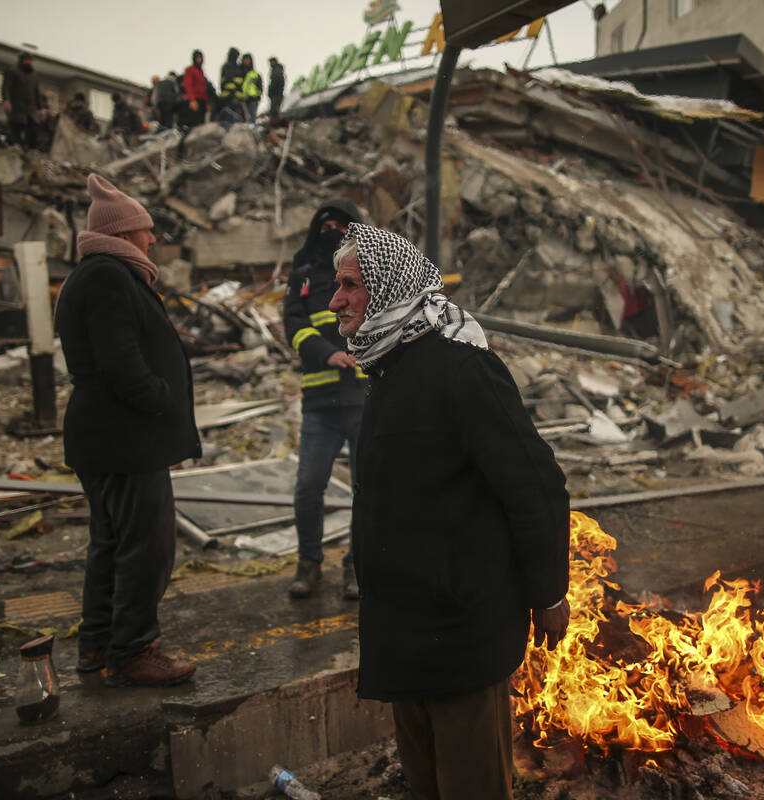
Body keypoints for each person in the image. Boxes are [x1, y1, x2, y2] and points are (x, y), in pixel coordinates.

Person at [331, 223, 570, 800]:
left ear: (388, 290)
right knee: (426, 785)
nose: (335, 300)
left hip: (461, 630)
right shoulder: (387, 367)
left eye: (350, 285)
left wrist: (548, 594)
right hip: (405, 632)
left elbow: (535, 485)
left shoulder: (462, 368)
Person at [54, 174, 201, 687]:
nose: (153, 238)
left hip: (111, 440)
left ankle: (98, 644)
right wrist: (162, 398)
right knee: (147, 548)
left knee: (112, 545)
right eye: (145, 230)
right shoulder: (107, 277)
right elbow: (121, 362)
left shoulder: (101, 274)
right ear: (122, 234)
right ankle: (133, 650)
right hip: (124, 441)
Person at [283, 199, 365, 599]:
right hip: (320, 400)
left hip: (364, 399)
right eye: (325, 223)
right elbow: (293, 325)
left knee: (366, 489)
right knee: (309, 486)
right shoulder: (302, 274)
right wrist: (326, 353)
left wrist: (359, 353)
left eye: (341, 224)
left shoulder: (368, 272)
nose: (332, 229)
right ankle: (309, 563)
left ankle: (357, 567)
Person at [2, 51, 46, 149]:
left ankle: (30, 149)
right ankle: (17, 147)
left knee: (33, 130)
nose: (28, 62)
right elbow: (6, 87)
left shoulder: (34, 75)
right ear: (21, 60)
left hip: (30, 110)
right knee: (15, 131)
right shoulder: (12, 71)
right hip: (17, 108)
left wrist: (41, 108)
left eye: (29, 60)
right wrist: (6, 100)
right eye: (26, 60)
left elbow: (36, 93)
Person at [181, 50, 209, 128]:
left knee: (201, 122)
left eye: (200, 58)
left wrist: (207, 102)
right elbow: (188, 85)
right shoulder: (190, 70)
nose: (199, 60)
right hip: (195, 100)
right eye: (197, 58)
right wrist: (192, 99)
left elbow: (204, 88)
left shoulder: (201, 72)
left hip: (202, 101)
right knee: (193, 122)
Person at [239, 53, 263, 123]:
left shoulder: (255, 74)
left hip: (253, 99)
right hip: (241, 99)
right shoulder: (239, 72)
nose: (247, 61)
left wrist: (257, 98)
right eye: (245, 59)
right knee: (242, 118)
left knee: (252, 118)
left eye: (248, 59)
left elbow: (260, 87)